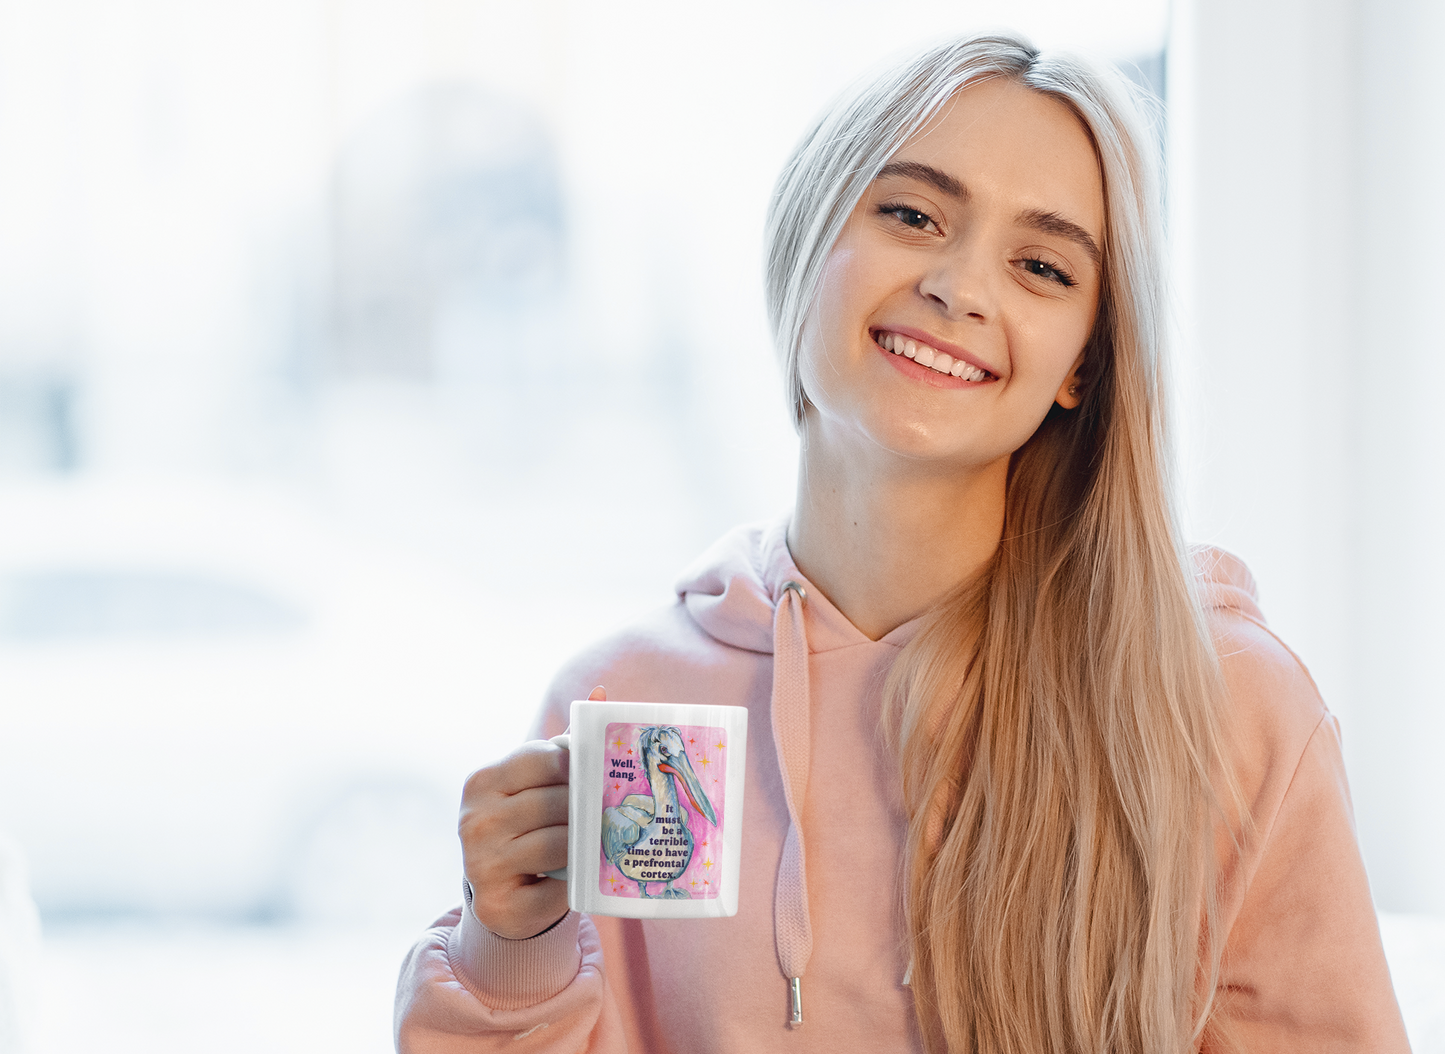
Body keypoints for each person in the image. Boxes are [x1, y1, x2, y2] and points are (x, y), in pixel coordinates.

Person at [395, 33, 1409, 1053]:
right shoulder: (624, 702)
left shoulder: (1222, 705)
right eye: (912, 214)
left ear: (1081, 366)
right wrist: (512, 948)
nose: (961, 288)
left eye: (1041, 265)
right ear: (806, 239)